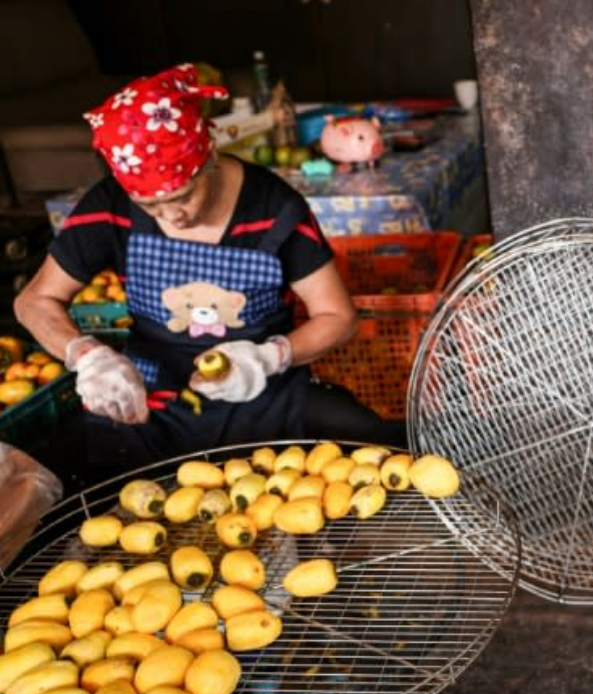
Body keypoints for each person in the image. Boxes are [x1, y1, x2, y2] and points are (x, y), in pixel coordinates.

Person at [13, 64, 398, 478]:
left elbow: (339, 317)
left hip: (265, 394)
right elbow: (34, 301)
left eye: (182, 196)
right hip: (152, 400)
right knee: (57, 471)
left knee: (371, 440)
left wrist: (269, 356)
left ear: (209, 155)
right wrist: (87, 356)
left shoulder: (274, 206)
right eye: (149, 206)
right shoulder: (109, 205)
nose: (171, 216)